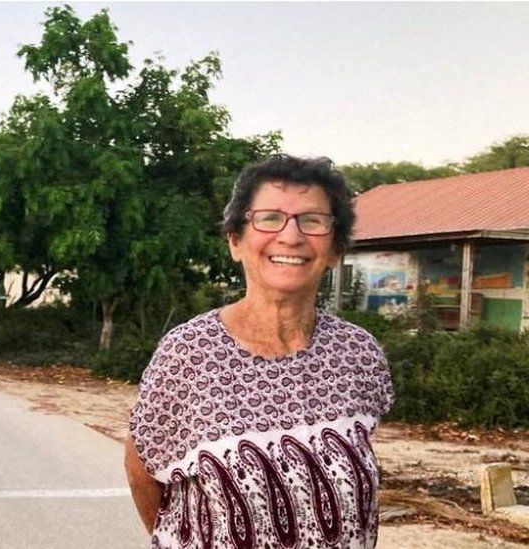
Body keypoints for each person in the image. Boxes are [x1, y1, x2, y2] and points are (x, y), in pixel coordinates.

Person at [125, 154, 393, 548]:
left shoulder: (359, 352)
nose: (291, 236)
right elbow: (142, 469)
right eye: (269, 218)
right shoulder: (188, 353)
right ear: (235, 240)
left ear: (335, 250)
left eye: (313, 221)